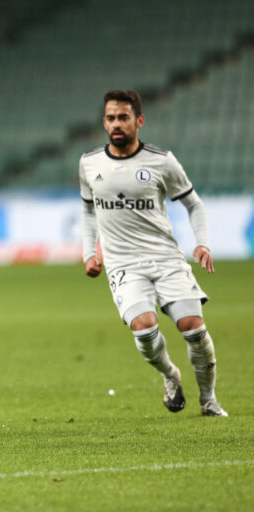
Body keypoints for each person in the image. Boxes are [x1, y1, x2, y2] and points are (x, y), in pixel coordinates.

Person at [79, 89, 227, 417]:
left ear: (139, 121)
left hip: (166, 258)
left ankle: (209, 400)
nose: (116, 124)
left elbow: (194, 204)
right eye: (110, 118)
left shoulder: (161, 161)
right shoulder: (89, 163)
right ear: (104, 122)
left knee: (192, 327)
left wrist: (202, 242)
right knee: (144, 329)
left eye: (123, 117)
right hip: (124, 265)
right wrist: (90, 251)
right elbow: (88, 211)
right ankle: (170, 374)